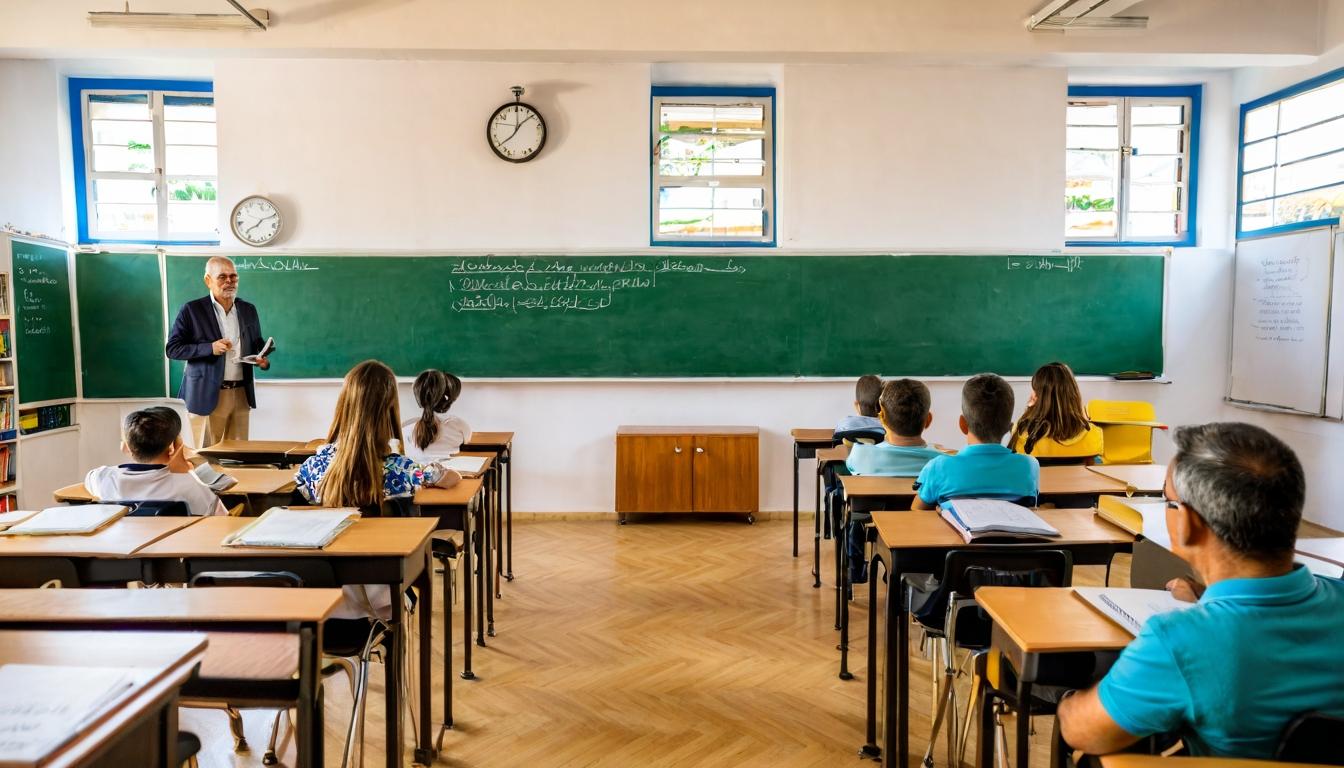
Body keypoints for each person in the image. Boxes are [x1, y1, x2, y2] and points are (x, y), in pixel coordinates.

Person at [1058, 422, 1344, 759]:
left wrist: (1069, 703)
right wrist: (1206, 596)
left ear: (1189, 522)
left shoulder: (1179, 642)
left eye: (1167, 501)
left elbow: (1084, 732)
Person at [294, 360, 461, 620]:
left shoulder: (314, 466)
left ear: (344, 405)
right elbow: (449, 478)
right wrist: (440, 472)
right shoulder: (401, 469)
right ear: (389, 409)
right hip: (382, 597)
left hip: (320, 603)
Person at [843, 378, 944, 583]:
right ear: (928, 420)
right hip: (927, 544)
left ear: (882, 419)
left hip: (881, 532)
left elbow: (850, 468)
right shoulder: (941, 463)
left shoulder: (863, 455)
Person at [165, 256, 269, 447]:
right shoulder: (191, 310)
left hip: (241, 394)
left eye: (233, 276)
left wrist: (262, 359)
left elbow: (256, 344)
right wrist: (209, 348)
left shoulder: (248, 309)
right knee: (206, 457)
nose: (229, 281)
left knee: (240, 456)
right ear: (208, 280)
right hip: (206, 394)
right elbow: (173, 349)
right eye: (222, 276)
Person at [912, 373, 1039, 509]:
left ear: (963, 424)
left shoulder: (939, 467)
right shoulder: (1029, 466)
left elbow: (916, 512)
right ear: (1009, 428)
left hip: (955, 530)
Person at [84, 406, 226, 517]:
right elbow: (219, 516)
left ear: (126, 447)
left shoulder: (104, 478)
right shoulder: (191, 485)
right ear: (174, 446)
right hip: (176, 552)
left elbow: (90, 478)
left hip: (124, 550)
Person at [1008, 361, 1103, 461]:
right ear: (1073, 393)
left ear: (1038, 397)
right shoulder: (1095, 435)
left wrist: (1030, 411)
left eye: (1035, 390)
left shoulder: (1022, 433)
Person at [402, 369, 471, 464]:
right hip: (454, 474)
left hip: (418, 476)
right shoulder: (459, 426)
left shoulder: (406, 429)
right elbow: (467, 441)